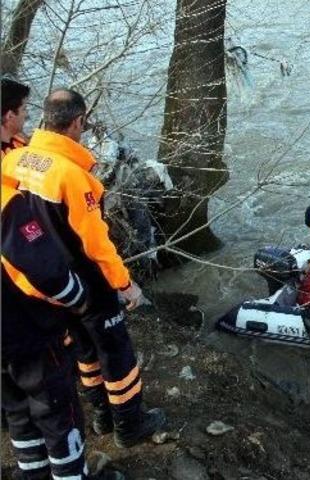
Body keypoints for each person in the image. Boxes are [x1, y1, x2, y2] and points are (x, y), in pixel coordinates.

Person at [2, 89, 165, 448]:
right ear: (77, 122)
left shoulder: (15, 159)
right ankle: (129, 423)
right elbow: (96, 244)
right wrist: (125, 284)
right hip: (87, 279)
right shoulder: (74, 177)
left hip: (52, 281)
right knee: (116, 352)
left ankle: (102, 415)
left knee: (84, 350)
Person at [1, 173, 124, 479]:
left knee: (17, 409)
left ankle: (34, 474)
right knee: (57, 412)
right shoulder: (6, 201)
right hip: (26, 329)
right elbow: (45, 269)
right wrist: (78, 296)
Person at [1, 77, 30, 157]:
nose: (26, 114)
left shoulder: (19, 140)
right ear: (10, 115)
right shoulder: (5, 158)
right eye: (24, 109)